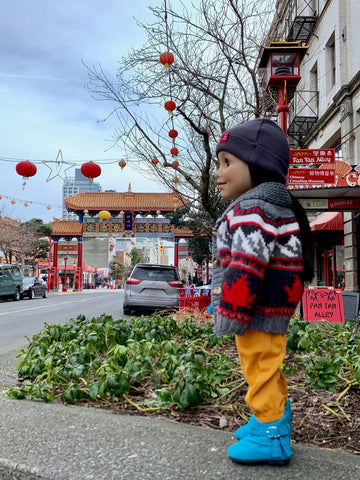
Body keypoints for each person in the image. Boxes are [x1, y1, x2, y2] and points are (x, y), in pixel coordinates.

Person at [211, 118, 314, 465]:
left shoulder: (253, 209)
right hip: (270, 304)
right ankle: (269, 420)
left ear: (257, 165)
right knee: (267, 363)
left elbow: (247, 265)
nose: (218, 173)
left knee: (259, 365)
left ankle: (270, 435)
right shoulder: (267, 204)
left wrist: (230, 312)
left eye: (227, 163)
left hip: (256, 306)